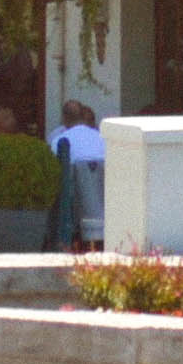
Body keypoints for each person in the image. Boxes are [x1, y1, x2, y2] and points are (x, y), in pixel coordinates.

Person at [47, 97, 105, 251]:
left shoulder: (59, 140)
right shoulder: (102, 138)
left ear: (64, 119)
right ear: (83, 115)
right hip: (105, 206)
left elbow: (54, 174)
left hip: (74, 211)